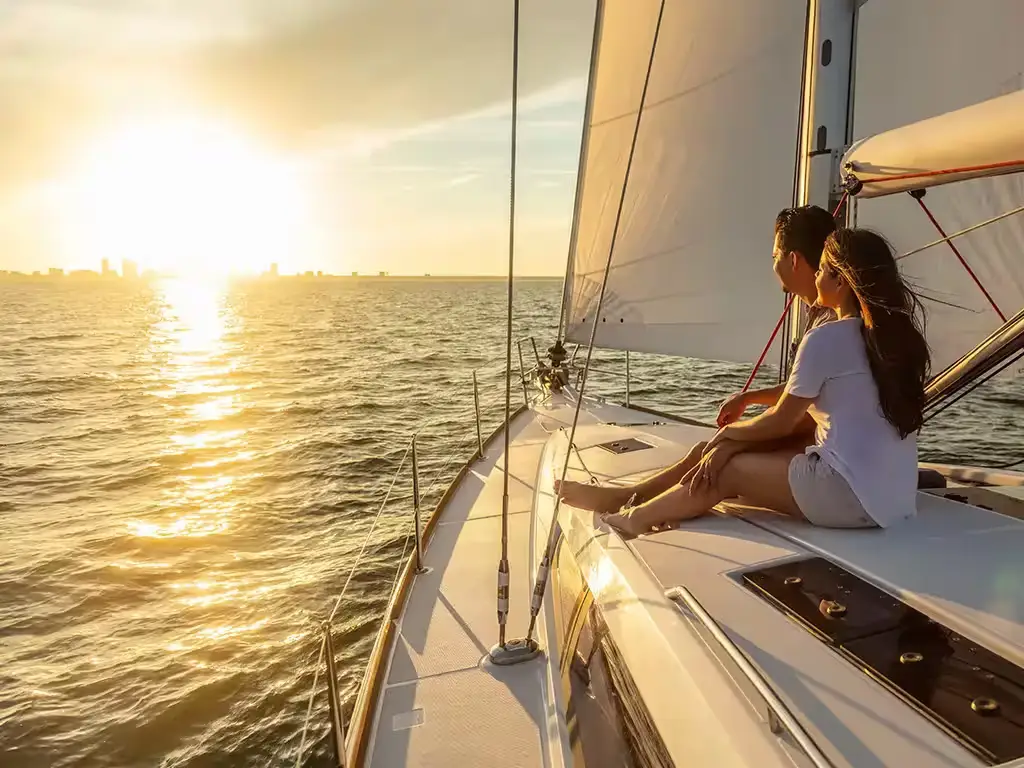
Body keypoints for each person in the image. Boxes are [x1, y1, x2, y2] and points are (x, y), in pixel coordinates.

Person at [557, 228, 930, 535]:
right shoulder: (895, 340)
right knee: (729, 462)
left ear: (841, 280)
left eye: (823, 269)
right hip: (894, 501)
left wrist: (727, 437)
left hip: (848, 497)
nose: (816, 275)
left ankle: (631, 520)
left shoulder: (828, 337)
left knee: (728, 471)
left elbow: (782, 421)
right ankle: (641, 501)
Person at [554, 205, 837, 520]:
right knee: (704, 450)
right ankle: (626, 498)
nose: (772, 265)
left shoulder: (828, 326)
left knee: (715, 457)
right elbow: (808, 387)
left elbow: (798, 415)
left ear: (794, 259)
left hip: (817, 450)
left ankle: (631, 511)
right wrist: (749, 399)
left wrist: (736, 438)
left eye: (775, 257)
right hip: (812, 443)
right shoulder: (828, 317)